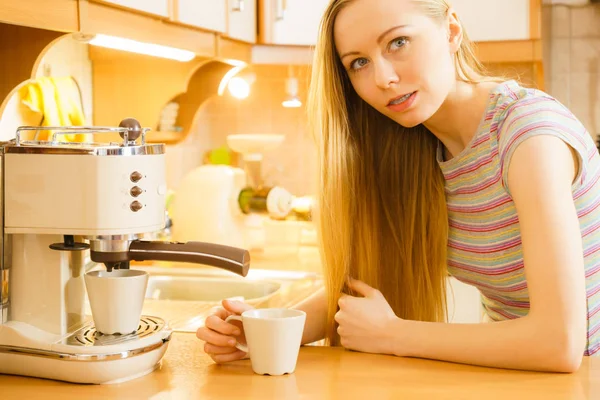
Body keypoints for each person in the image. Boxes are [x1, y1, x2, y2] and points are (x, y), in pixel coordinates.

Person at [196, 0, 600, 373]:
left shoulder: (528, 136)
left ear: (451, 30)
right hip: (526, 379)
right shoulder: (419, 146)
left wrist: (392, 334)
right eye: (358, 63)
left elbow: (559, 343)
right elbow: (366, 283)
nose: (383, 78)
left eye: (398, 42)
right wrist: (263, 330)